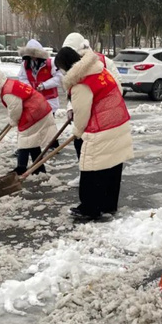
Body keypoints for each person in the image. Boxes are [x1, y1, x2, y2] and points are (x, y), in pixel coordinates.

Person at [54, 44, 133, 221]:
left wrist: (77, 132)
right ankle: (108, 204)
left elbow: (81, 115)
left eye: (60, 69)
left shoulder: (81, 83)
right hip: (118, 121)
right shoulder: (100, 69)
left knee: (90, 167)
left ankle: (89, 208)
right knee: (112, 165)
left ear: (66, 66)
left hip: (101, 128)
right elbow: (118, 89)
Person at [60, 32, 122, 186]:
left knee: (101, 151)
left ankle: (96, 181)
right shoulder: (73, 65)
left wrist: (100, 107)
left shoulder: (103, 62)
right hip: (86, 113)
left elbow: (117, 86)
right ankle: (85, 174)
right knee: (80, 144)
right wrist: (71, 108)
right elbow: (73, 93)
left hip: (103, 116)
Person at [0, 66, 57, 175]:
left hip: (34, 112)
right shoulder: (9, 83)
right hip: (40, 108)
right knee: (32, 140)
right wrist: (14, 119)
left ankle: (21, 168)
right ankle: (38, 167)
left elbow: (15, 108)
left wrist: (13, 120)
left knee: (24, 140)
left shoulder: (7, 92)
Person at [17, 39, 63, 114]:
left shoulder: (50, 63)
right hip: (34, 101)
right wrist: (29, 88)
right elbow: (22, 78)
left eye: (34, 55)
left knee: (49, 119)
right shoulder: (25, 64)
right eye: (30, 55)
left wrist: (44, 85)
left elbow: (59, 78)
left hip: (50, 101)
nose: (32, 57)